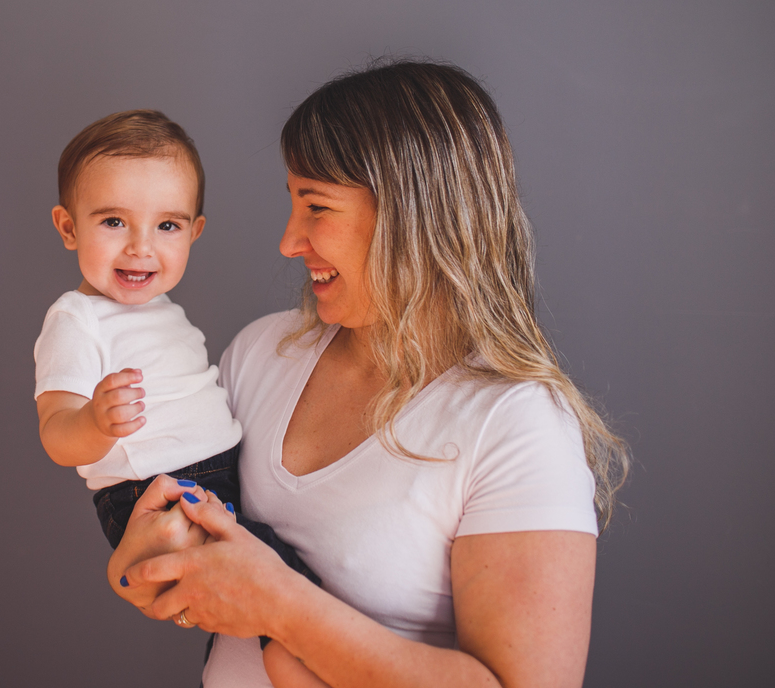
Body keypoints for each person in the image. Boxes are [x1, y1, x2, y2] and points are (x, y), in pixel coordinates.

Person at [108, 60, 629, 688]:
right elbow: (195, 571)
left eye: (317, 207)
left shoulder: (516, 423)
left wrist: (283, 605)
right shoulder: (260, 354)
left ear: (416, 214)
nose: (289, 240)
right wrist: (155, 568)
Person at [34, 109, 324, 688]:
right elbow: (55, 433)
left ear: (194, 231)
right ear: (69, 228)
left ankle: (297, 657)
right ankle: (302, 670)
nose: (141, 248)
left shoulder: (163, 309)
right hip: (155, 492)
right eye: (114, 221)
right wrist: (94, 420)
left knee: (276, 584)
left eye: (167, 226)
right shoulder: (77, 319)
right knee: (282, 588)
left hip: (210, 480)